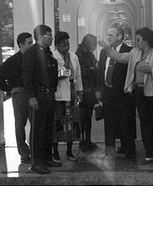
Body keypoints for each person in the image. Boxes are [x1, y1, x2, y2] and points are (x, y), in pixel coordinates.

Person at [99, 27, 153, 167]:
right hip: (140, 92)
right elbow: (120, 57)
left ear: (147, 40)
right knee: (145, 125)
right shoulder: (135, 52)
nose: (135, 42)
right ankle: (149, 154)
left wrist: (152, 70)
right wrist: (107, 48)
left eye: (138, 40)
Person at [23, 25, 59, 175]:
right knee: (38, 130)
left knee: (48, 128)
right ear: (40, 36)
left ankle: (46, 157)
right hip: (38, 95)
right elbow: (27, 77)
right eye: (48, 36)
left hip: (49, 94)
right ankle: (36, 162)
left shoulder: (47, 52)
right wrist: (32, 96)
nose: (51, 38)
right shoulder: (31, 53)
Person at [96, 25, 136, 160]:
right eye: (107, 35)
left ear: (119, 37)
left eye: (111, 35)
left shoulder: (129, 51)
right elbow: (101, 71)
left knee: (126, 122)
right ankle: (109, 151)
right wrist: (99, 89)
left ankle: (128, 150)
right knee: (109, 123)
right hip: (108, 92)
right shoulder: (104, 52)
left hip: (123, 94)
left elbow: (125, 65)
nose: (108, 37)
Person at [0, 32, 33, 163]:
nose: (32, 45)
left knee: (35, 123)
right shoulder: (13, 61)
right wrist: (9, 89)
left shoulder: (34, 59)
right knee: (20, 124)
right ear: (21, 45)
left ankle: (34, 149)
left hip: (32, 93)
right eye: (29, 43)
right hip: (20, 94)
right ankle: (24, 153)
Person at [52, 31, 83, 163]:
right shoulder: (53, 57)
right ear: (57, 45)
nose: (67, 47)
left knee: (71, 123)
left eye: (68, 44)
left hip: (71, 92)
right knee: (58, 124)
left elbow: (77, 75)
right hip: (59, 94)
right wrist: (65, 71)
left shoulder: (74, 57)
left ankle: (70, 150)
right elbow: (56, 73)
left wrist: (80, 91)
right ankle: (55, 151)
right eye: (64, 45)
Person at [75, 33, 98, 151]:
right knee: (82, 118)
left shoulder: (89, 53)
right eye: (94, 43)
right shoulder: (79, 54)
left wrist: (93, 69)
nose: (95, 46)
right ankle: (82, 141)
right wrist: (93, 70)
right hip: (84, 90)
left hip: (90, 89)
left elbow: (95, 67)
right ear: (88, 43)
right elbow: (83, 72)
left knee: (88, 117)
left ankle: (88, 140)